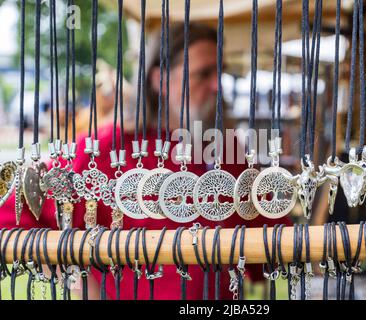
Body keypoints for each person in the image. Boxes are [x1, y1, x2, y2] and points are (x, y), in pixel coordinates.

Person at [0, 22, 290, 300]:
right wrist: (73, 274)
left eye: (219, 72)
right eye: (203, 74)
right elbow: (15, 212)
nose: (217, 85)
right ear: (160, 80)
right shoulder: (105, 149)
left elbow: (278, 239)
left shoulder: (226, 149)